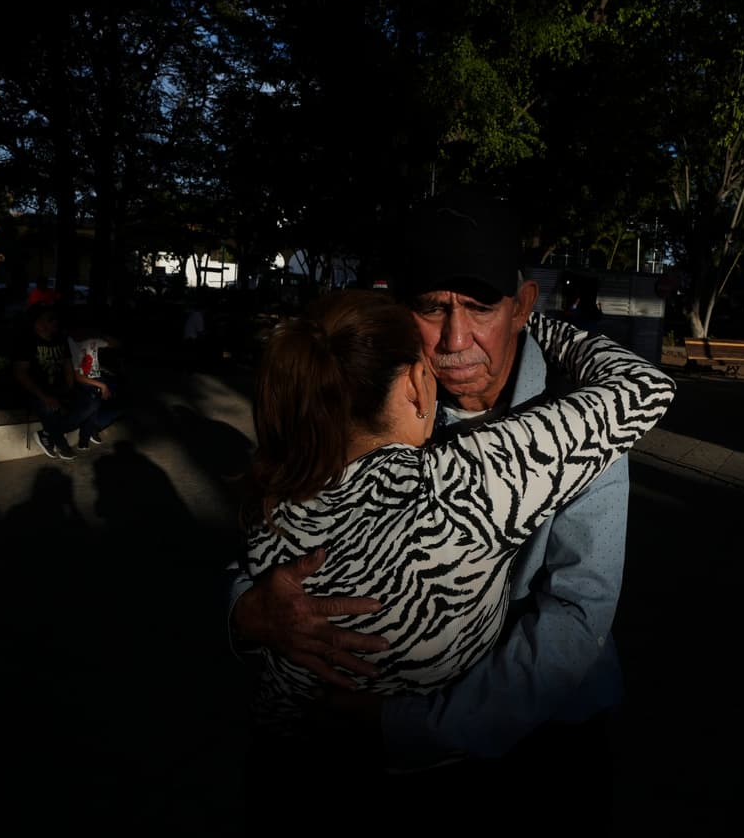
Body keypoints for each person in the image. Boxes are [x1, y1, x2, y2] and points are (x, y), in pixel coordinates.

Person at [227, 190, 655, 831]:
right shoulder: (349, 393)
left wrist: (408, 726)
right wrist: (248, 611)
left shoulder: (581, 422)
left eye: (482, 307)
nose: (456, 338)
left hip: (535, 742)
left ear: (523, 308)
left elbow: (574, 613)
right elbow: (267, 535)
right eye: (432, 308)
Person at [10, 303, 99, 461]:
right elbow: (21, 373)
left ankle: (47, 433)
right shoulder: (27, 342)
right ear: (38, 323)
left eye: (55, 319)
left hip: (58, 388)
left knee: (91, 403)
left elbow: (67, 366)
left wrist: (70, 390)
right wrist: (44, 396)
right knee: (49, 407)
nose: (55, 323)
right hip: (36, 391)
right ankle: (61, 444)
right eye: (50, 320)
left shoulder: (60, 340)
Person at [66, 317, 126, 449]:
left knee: (123, 399)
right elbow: (78, 377)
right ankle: (69, 431)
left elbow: (116, 344)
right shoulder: (70, 344)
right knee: (94, 404)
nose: (84, 333)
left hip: (97, 379)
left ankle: (91, 430)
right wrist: (102, 386)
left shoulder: (90, 338)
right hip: (85, 382)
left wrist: (99, 334)